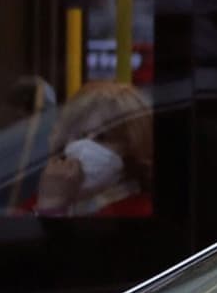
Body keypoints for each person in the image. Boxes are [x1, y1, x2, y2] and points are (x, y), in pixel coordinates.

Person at [33, 81, 152, 217]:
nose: (83, 147)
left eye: (101, 137)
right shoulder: (52, 195)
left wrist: (51, 207)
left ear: (132, 146)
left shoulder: (140, 209)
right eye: (78, 136)